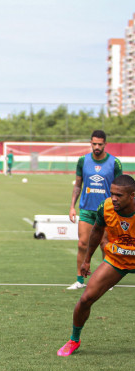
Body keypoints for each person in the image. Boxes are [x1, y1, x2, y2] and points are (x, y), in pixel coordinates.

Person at [58, 174, 135, 356]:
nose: (113, 198)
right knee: (86, 299)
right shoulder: (106, 207)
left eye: (119, 195)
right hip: (117, 260)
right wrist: (86, 260)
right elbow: (97, 232)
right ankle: (74, 340)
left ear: (132, 195)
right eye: (112, 193)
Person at [67, 130, 122, 290]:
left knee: (105, 244)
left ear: (105, 144)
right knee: (82, 244)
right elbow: (78, 185)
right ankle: (79, 280)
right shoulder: (83, 161)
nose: (97, 147)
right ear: (90, 143)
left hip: (107, 210)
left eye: (100, 144)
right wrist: (72, 207)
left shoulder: (115, 162)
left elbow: (120, 188)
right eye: (94, 144)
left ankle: (107, 282)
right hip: (86, 210)